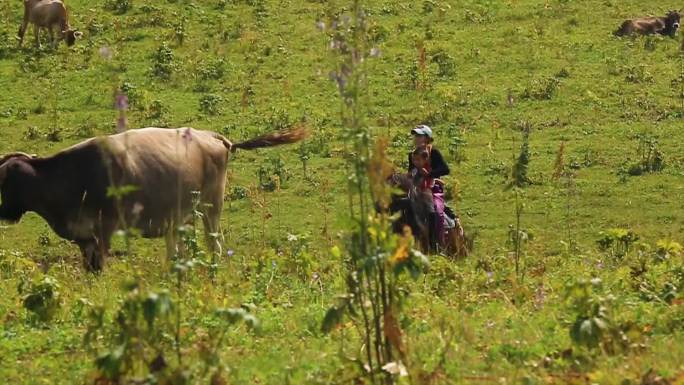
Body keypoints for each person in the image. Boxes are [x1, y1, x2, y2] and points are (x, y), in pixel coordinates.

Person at [407, 125, 450, 250]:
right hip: (416, 188)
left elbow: (445, 169)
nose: (416, 138)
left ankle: (435, 244)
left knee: (435, 212)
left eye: (419, 136)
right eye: (416, 136)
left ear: (427, 138)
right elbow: (411, 172)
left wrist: (429, 174)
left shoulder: (434, 152)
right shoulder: (412, 155)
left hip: (433, 187)